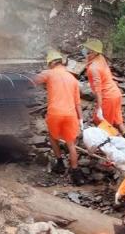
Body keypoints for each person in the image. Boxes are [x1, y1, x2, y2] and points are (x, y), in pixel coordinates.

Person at [34, 49, 85, 185]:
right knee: (71, 144)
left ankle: (60, 162)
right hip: (71, 114)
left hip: (55, 113)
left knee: (52, 136)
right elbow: (78, 103)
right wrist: (81, 121)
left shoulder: (49, 73)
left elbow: (32, 81)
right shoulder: (73, 79)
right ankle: (76, 173)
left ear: (51, 63)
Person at [81, 39, 125, 138]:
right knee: (117, 121)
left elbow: (98, 91)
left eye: (88, 49)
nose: (85, 50)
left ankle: (114, 145)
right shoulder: (100, 57)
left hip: (108, 97)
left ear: (94, 52)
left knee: (103, 124)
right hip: (115, 93)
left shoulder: (93, 68)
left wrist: (99, 108)